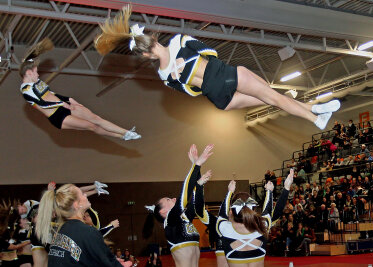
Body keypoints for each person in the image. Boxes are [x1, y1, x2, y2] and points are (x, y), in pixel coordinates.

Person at [94, 6, 340, 130]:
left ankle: (315, 107)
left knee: (271, 100)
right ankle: (314, 117)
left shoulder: (162, 74)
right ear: (152, 38)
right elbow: (211, 53)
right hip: (229, 76)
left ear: (145, 54)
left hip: (218, 98)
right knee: (273, 96)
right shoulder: (178, 41)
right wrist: (187, 62)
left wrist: (184, 72)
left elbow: (191, 92)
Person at [19, 38, 140, 141]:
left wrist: (69, 99)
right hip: (57, 116)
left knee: (96, 119)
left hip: (65, 105)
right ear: (28, 73)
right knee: (92, 126)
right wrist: (60, 104)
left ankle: (126, 132)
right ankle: (122, 136)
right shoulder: (26, 91)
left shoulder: (37, 82)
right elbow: (42, 104)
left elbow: (51, 93)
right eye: (36, 72)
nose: (38, 75)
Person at [144, 144, 214, 267]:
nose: (173, 198)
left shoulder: (183, 218)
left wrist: (199, 181)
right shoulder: (170, 221)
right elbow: (185, 195)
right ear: (163, 211)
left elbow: (197, 206)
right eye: (168, 199)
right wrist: (197, 165)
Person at [216, 169, 293, 266]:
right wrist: (284, 188)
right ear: (252, 210)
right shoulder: (261, 227)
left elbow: (222, 214)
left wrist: (229, 192)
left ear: (231, 211)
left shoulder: (225, 229)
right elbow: (272, 212)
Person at [35, 184, 123, 266]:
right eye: (82, 194)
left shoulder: (60, 232)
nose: (85, 195)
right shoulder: (88, 232)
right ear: (77, 205)